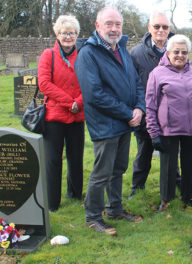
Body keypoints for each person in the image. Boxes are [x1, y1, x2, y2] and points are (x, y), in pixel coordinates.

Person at [75, 7, 145, 235]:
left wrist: (139, 108)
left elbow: (136, 82)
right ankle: (93, 217)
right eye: (109, 24)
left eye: (118, 24)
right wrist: (128, 113)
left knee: (118, 169)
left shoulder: (122, 50)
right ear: (97, 26)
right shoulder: (88, 54)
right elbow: (94, 94)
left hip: (125, 122)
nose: (114, 29)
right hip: (105, 125)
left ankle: (114, 209)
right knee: (102, 172)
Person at [145, 34, 192, 211]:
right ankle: (166, 199)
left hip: (191, 129)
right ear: (168, 52)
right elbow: (150, 104)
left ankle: (188, 197)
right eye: (176, 51)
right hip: (167, 130)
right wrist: (153, 132)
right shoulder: (157, 73)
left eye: (184, 52)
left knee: (189, 166)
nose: (180, 55)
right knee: (168, 167)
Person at [38, 15, 84, 212]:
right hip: (54, 116)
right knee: (53, 160)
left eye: (72, 33)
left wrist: (79, 103)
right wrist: (69, 102)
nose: (68, 37)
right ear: (57, 34)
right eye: (64, 33)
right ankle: (53, 203)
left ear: (77, 35)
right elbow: (44, 84)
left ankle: (74, 195)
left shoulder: (83, 54)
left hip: (77, 116)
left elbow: (91, 81)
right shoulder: (48, 55)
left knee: (76, 158)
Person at [128, 12, 175, 200]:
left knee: (172, 152)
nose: (161, 30)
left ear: (169, 29)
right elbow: (132, 84)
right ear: (149, 28)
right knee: (144, 153)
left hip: (171, 114)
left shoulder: (176, 49)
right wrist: (139, 108)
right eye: (157, 27)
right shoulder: (137, 53)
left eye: (164, 27)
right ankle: (137, 188)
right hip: (147, 113)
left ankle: (176, 184)